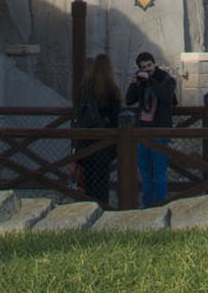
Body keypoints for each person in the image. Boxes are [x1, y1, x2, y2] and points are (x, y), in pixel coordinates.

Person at [126, 50, 180, 208]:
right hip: (142, 130)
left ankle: (160, 205)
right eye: (144, 67)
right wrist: (134, 83)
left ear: (154, 64)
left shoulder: (166, 79)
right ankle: (147, 205)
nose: (147, 69)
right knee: (145, 172)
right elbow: (129, 100)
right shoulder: (140, 81)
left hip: (159, 130)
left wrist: (150, 81)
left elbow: (167, 98)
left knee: (159, 172)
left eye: (149, 65)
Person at [72, 54, 123, 205]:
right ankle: (102, 208)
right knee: (101, 180)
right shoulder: (112, 90)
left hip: (87, 139)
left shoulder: (85, 87)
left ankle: (88, 206)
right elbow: (116, 117)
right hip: (105, 142)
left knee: (88, 178)